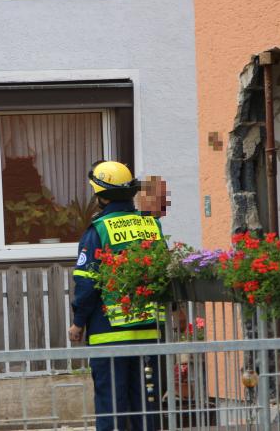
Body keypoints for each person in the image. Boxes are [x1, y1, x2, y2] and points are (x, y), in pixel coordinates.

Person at [69, 161, 163, 431]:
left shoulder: (98, 229)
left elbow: (87, 284)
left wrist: (78, 323)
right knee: (147, 405)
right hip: (150, 332)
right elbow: (165, 273)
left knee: (112, 406)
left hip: (109, 332)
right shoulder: (151, 225)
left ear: (101, 195)